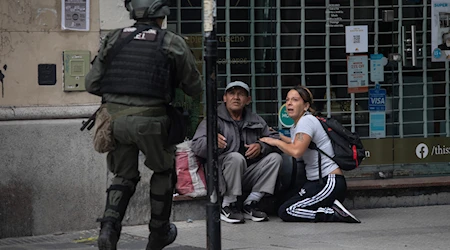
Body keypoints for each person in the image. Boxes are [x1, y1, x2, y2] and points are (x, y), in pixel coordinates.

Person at [85, 0, 202, 249]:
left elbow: (92, 84)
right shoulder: (171, 41)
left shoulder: (114, 38)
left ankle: (108, 228)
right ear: (161, 15)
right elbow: (194, 87)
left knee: (123, 175)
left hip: (114, 122)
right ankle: (158, 231)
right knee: (163, 171)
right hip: (152, 121)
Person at [259, 86, 361, 223]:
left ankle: (332, 213)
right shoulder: (299, 123)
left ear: (306, 106)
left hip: (329, 181)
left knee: (287, 211)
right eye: (287, 100)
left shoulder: (306, 121)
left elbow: (296, 151)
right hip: (316, 182)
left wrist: (275, 142)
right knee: (281, 203)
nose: (289, 103)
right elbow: (298, 142)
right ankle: (328, 207)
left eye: (295, 100)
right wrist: (279, 136)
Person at [191, 81, 282, 224]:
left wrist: (261, 146)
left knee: (275, 158)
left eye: (241, 94)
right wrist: (212, 142)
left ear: (248, 100)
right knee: (235, 157)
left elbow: (276, 139)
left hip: (246, 173)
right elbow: (196, 145)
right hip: (221, 175)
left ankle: (251, 203)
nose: (236, 97)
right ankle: (228, 204)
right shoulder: (213, 119)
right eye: (232, 93)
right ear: (225, 98)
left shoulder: (255, 119)